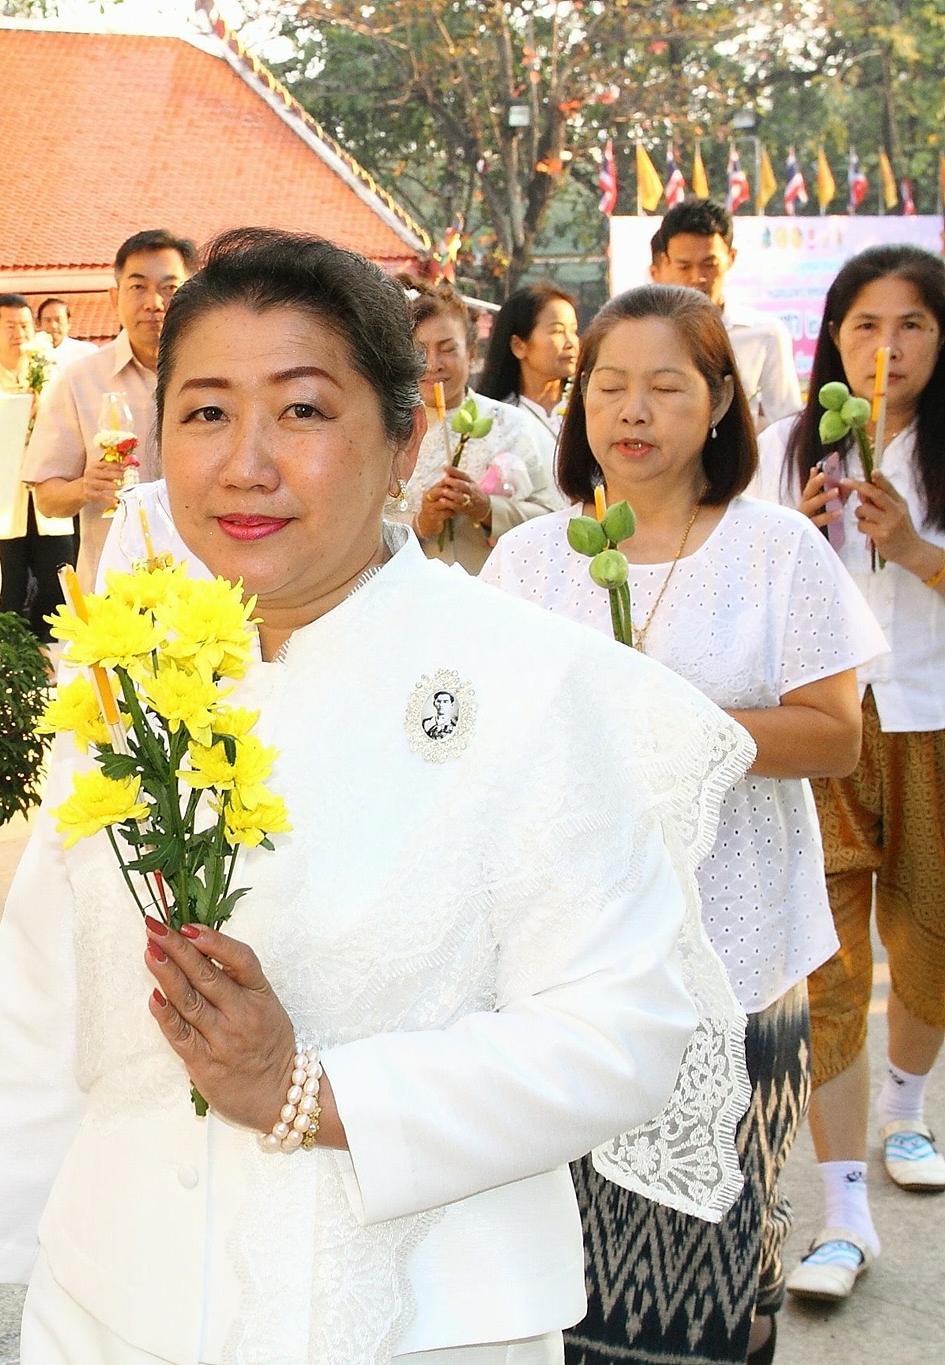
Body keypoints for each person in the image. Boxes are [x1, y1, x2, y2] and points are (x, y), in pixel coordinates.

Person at [0, 229, 755, 1365]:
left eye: (299, 411)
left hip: (414, 1316)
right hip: (114, 1299)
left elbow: (616, 1035)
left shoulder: (532, 685)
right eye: (203, 413)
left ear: (402, 441)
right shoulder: (133, 672)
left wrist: (309, 1091)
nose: (243, 463)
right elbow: (50, 988)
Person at [483, 284, 880, 1365]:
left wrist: (667, 725)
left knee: (708, 1270)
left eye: (664, 386)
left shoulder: (772, 551)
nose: (630, 411)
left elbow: (830, 736)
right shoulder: (528, 561)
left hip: (734, 957)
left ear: (716, 404)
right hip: (570, 967)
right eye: (606, 385)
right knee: (571, 1273)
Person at [751, 244, 945, 1304]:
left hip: (930, 718)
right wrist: (805, 525)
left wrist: (911, 549)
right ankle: (840, 1212)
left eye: (909, 325)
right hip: (823, 728)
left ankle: (906, 1111)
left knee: (928, 932)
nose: (885, 348)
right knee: (822, 963)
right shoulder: (788, 446)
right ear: (832, 339)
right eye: (864, 326)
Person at [26, 229, 196, 576]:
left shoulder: (224, 375)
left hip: (209, 586)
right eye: (138, 287)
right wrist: (86, 487)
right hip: (116, 591)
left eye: (169, 287)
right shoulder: (80, 380)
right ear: (114, 296)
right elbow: (46, 498)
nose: (154, 303)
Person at [394, 276, 559, 572]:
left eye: (448, 349)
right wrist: (422, 522)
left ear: (471, 354)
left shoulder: (510, 424)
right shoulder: (388, 432)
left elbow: (552, 517)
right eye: (420, 351)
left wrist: (487, 509)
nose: (433, 364)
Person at [0, 294, 77, 642]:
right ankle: (7, 651)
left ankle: (52, 651)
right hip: (1, 501)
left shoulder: (52, 376)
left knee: (59, 576)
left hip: (49, 495)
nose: (19, 333)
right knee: (8, 579)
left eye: (25, 326)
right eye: (10, 326)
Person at [650, 199, 804, 428]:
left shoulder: (765, 334)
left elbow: (785, 422)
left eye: (709, 264)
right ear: (666, 262)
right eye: (684, 266)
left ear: (731, 258)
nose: (697, 277)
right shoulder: (646, 335)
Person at [479, 281, 581, 437]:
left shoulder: (587, 408)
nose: (571, 342)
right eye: (557, 331)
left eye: (574, 330)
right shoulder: (495, 419)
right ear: (518, 345)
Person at [36, 297, 99, 365]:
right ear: (38, 324)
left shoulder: (87, 352)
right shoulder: (31, 353)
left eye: (58, 320)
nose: (53, 326)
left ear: (69, 322)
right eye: (48, 320)